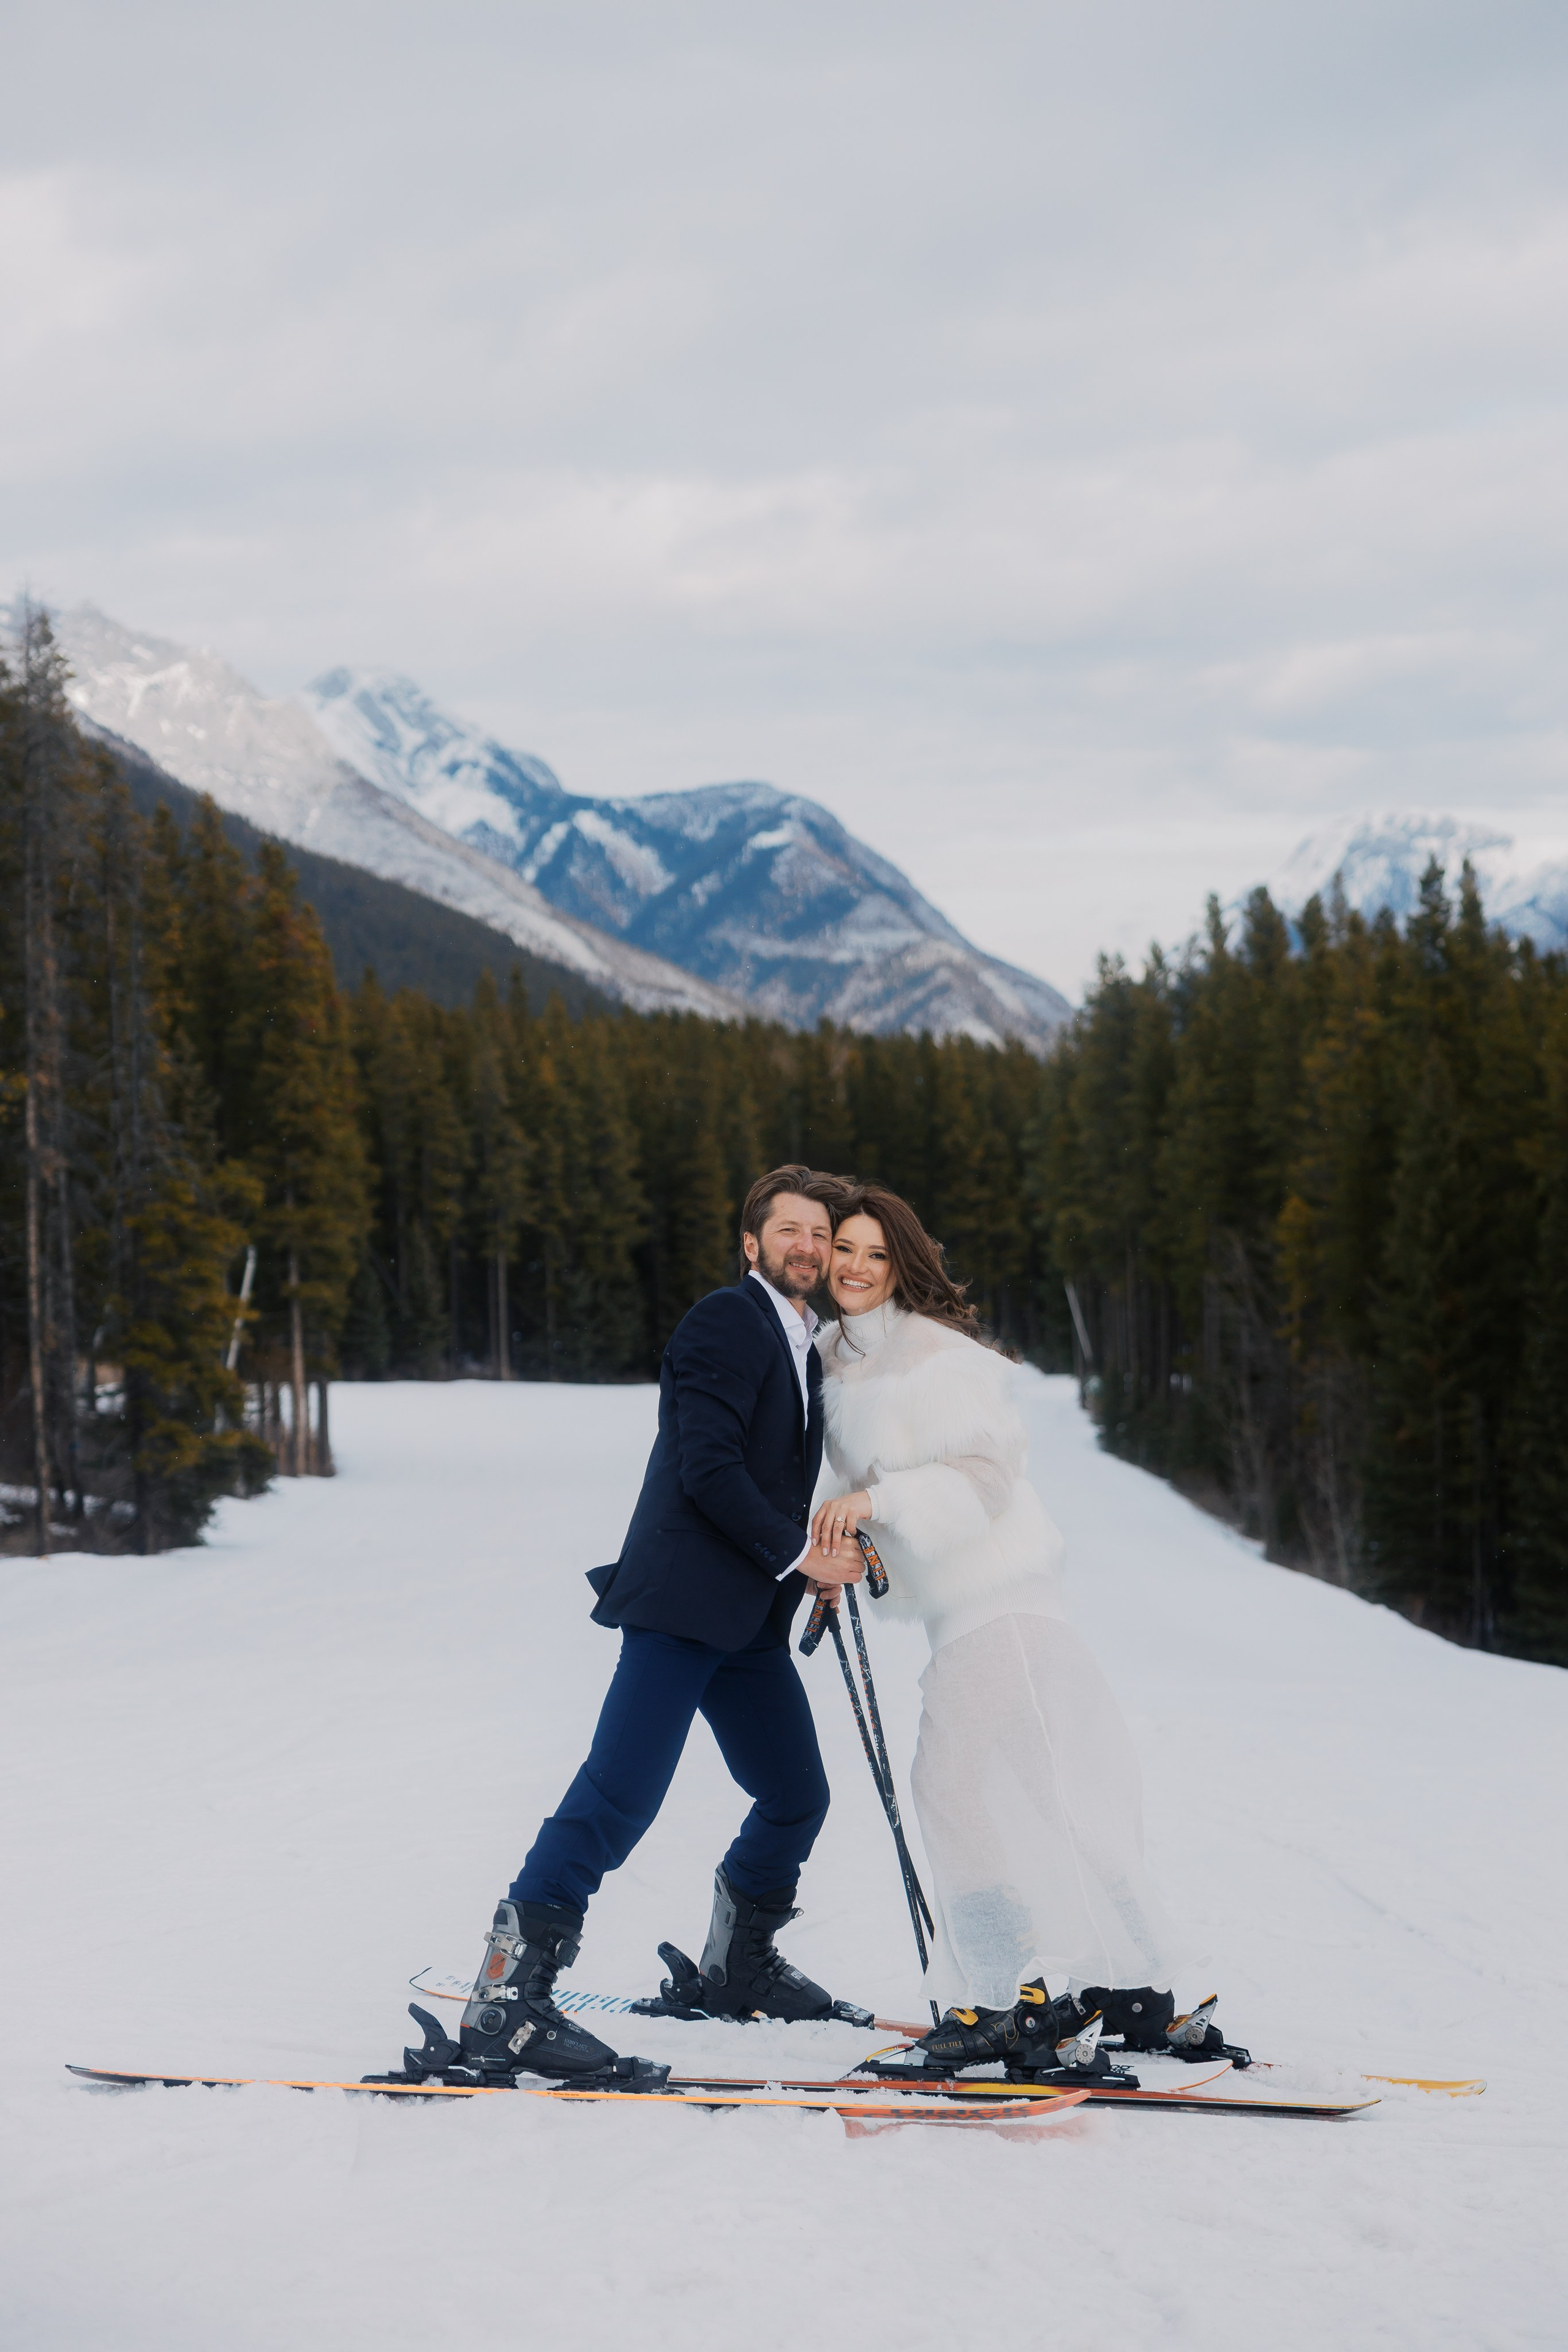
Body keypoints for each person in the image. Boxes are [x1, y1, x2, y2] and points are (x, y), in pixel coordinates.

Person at [811, 1182, 1238, 2074]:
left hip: (997, 1605)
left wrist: (874, 1502)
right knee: (1048, 1799)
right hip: (989, 1612)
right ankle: (1142, 1991)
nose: (854, 1267)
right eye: (844, 1249)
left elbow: (986, 1474)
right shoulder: (840, 1358)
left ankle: (1003, 2003)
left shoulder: (930, 1353)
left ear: (904, 1266)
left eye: (876, 1254)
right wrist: (837, 1538)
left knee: (953, 1786)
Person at [455, 1164, 868, 2086]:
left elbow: (764, 1478)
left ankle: (736, 1966)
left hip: (747, 1624)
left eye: (821, 1233)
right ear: (751, 1244)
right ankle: (504, 2007)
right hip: (684, 1609)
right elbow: (709, 1468)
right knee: (617, 1798)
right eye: (789, 1230)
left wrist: (807, 1569)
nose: (808, 1246)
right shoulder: (726, 1320)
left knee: (796, 1793)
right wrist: (799, 1555)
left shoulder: (804, 1344)